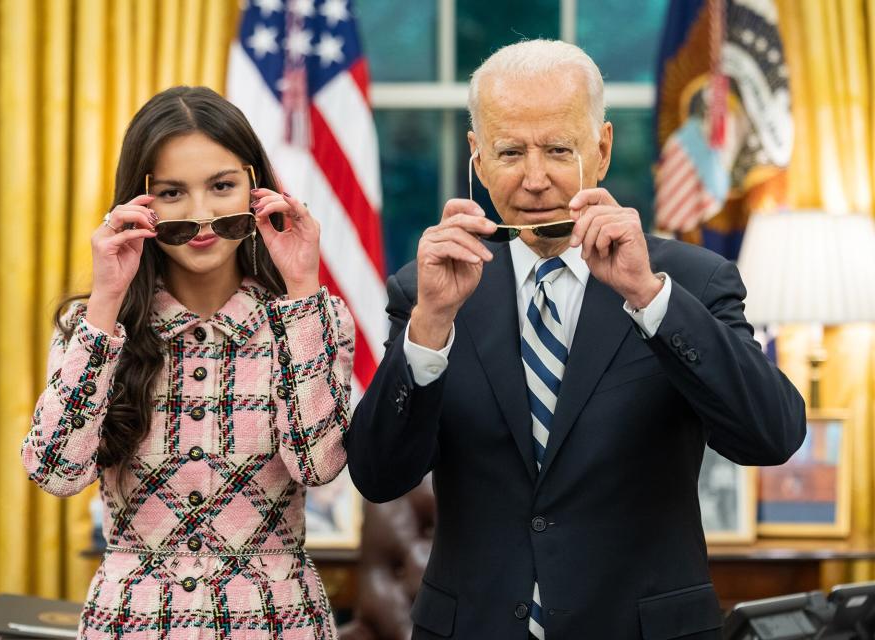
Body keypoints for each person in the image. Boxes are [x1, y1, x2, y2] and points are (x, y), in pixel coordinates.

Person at [345, 40, 805, 639]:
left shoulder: (690, 281)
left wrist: (649, 297)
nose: (535, 180)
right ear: (477, 159)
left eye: (559, 150)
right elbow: (379, 474)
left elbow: (772, 435)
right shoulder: (428, 290)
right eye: (510, 151)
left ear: (603, 149)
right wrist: (430, 328)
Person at [21, 86, 354, 639]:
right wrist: (106, 301)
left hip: (275, 622)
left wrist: (300, 286)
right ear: (139, 203)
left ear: (255, 189)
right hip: (132, 623)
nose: (201, 216)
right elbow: (55, 473)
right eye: (172, 192)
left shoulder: (311, 318)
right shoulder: (93, 328)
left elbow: (319, 466)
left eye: (222, 186)